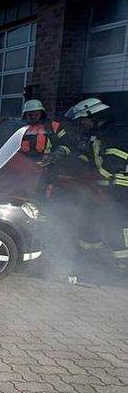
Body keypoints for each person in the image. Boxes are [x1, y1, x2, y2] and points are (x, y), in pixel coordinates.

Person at [65, 97, 128, 267]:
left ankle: (123, 265)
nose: (81, 125)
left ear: (92, 116)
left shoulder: (117, 133)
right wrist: (69, 165)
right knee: (89, 220)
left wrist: (82, 178)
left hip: (120, 187)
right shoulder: (97, 134)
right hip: (102, 187)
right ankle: (91, 259)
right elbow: (92, 158)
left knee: (116, 224)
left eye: (83, 121)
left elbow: (113, 164)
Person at [19, 99, 71, 165]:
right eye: (30, 115)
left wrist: (54, 155)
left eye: (36, 114)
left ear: (42, 113)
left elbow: (67, 144)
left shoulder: (54, 126)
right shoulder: (19, 128)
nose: (33, 117)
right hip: (23, 167)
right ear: (25, 114)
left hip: (48, 166)